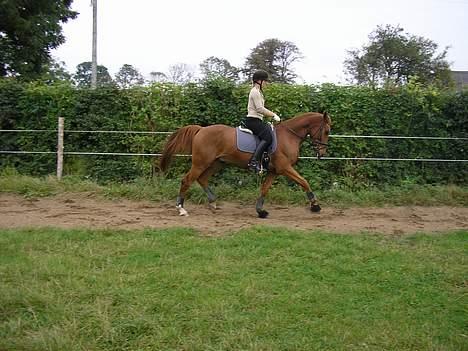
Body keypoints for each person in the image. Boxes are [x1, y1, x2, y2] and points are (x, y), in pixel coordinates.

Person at [244, 69, 281, 173]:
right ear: (259, 81)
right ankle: (253, 162)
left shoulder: (258, 92)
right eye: (265, 81)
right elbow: (259, 109)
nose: (266, 84)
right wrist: (273, 115)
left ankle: (263, 160)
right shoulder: (255, 92)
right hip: (253, 120)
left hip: (257, 120)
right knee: (268, 137)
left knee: (269, 131)